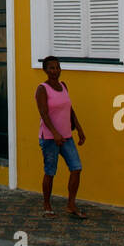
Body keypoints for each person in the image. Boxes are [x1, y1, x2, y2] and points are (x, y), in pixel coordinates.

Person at [35, 56, 86, 218]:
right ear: (45, 70)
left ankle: (71, 204)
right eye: (51, 68)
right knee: (50, 171)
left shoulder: (63, 86)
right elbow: (43, 113)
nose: (55, 71)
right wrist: (55, 133)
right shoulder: (42, 89)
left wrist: (78, 128)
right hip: (50, 138)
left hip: (66, 136)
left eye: (57, 67)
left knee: (76, 168)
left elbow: (70, 109)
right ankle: (47, 205)